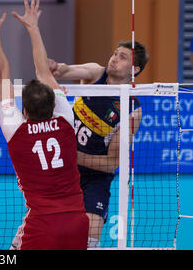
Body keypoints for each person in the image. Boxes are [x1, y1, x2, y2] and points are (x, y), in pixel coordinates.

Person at [0, 0, 88, 250]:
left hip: (42, 224)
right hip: (77, 219)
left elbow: (2, 75)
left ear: (24, 110)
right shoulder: (66, 121)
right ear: (53, 104)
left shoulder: (16, 131)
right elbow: (44, 72)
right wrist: (33, 27)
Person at [48, 41, 149, 248]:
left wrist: (73, 155)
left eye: (122, 57)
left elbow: (112, 164)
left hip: (95, 180)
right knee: (43, 229)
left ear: (134, 69)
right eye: (115, 53)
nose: (114, 58)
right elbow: (65, 70)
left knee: (90, 238)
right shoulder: (95, 74)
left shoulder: (131, 110)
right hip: (64, 170)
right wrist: (55, 67)